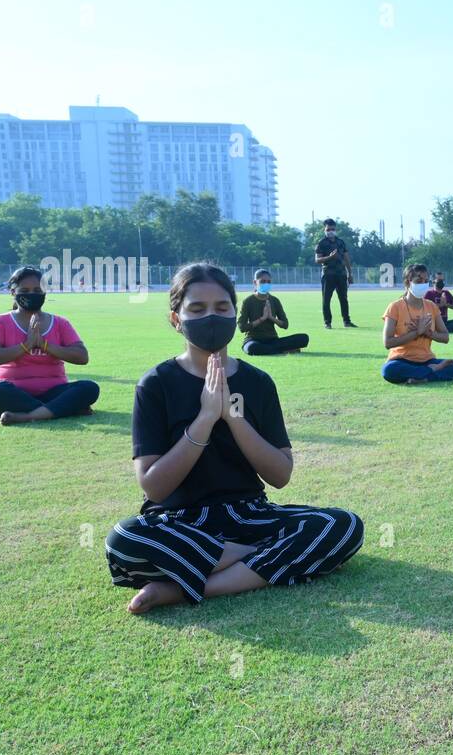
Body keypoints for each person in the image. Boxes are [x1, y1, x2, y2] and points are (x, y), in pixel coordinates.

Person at [105, 263, 363, 614]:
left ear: (233, 311)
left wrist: (234, 417)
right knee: (124, 539)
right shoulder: (156, 384)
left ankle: (184, 589)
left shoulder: (257, 383)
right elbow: (154, 488)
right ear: (176, 319)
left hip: (249, 516)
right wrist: (206, 418)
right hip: (180, 522)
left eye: (221, 307)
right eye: (197, 309)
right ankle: (257, 561)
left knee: (341, 526)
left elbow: (280, 476)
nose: (211, 317)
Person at [0, 266, 100, 424]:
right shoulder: (0, 322)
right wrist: (26, 345)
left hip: (55, 391)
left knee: (89, 388)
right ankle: (61, 409)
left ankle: (28, 416)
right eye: (25, 290)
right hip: (15, 392)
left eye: (37, 290)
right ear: (13, 292)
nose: (32, 294)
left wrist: (44, 344)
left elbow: (82, 357)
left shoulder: (59, 323)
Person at [381, 264, 453, 384]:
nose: (423, 284)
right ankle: (432, 372)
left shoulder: (431, 306)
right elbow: (388, 343)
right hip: (401, 360)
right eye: (419, 281)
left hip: (427, 360)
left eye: (426, 281)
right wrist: (416, 332)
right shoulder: (395, 307)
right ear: (408, 282)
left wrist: (428, 332)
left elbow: (445, 337)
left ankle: (424, 375)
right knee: (389, 370)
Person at [238, 270, 310, 355]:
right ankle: (283, 350)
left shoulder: (274, 301)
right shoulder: (248, 301)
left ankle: (272, 350)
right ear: (255, 282)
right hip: (253, 340)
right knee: (252, 348)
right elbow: (242, 327)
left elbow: (285, 325)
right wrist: (262, 319)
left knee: (304, 338)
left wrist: (271, 318)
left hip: (272, 340)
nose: (266, 284)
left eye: (268, 282)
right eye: (263, 281)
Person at [314, 218, 355, 328]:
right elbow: (317, 260)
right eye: (328, 229)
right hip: (328, 275)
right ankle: (327, 323)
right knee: (326, 300)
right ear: (325, 229)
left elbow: (346, 258)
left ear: (336, 229)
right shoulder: (321, 243)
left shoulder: (340, 242)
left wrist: (350, 274)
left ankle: (347, 321)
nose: (330, 231)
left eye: (332, 229)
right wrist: (330, 257)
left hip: (341, 274)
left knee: (344, 299)